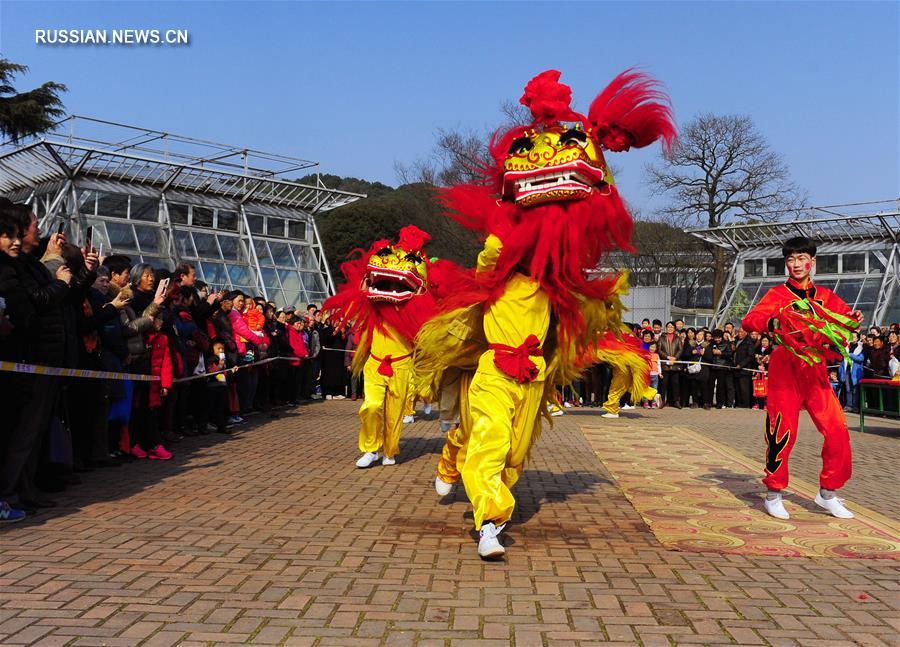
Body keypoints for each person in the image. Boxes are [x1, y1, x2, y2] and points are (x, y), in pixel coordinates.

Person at [742, 236, 863, 520]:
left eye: (801, 258)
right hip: (785, 369)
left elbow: (844, 315)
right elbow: (749, 321)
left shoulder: (825, 295)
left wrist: (853, 317)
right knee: (782, 431)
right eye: (791, 259)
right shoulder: (777, 295)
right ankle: (773, 493)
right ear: (786, 263)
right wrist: (771, 322)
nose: (796, 264)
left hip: (816, 371)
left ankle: (828, 493)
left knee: (837, 429)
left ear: (813, 262)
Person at [657, 321, 683, 408]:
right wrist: (667, 357)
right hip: (665, 364)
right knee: (664, 383)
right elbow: (659, 349)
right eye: (668, 327)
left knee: (675, 383)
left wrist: (675, 358)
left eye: (672, 327)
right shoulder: (662, 337)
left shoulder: (678, 338)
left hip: (675, 365)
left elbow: (680, 349)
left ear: (674, 328)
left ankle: (676, 401)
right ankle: (662, 401)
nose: (670, 328)